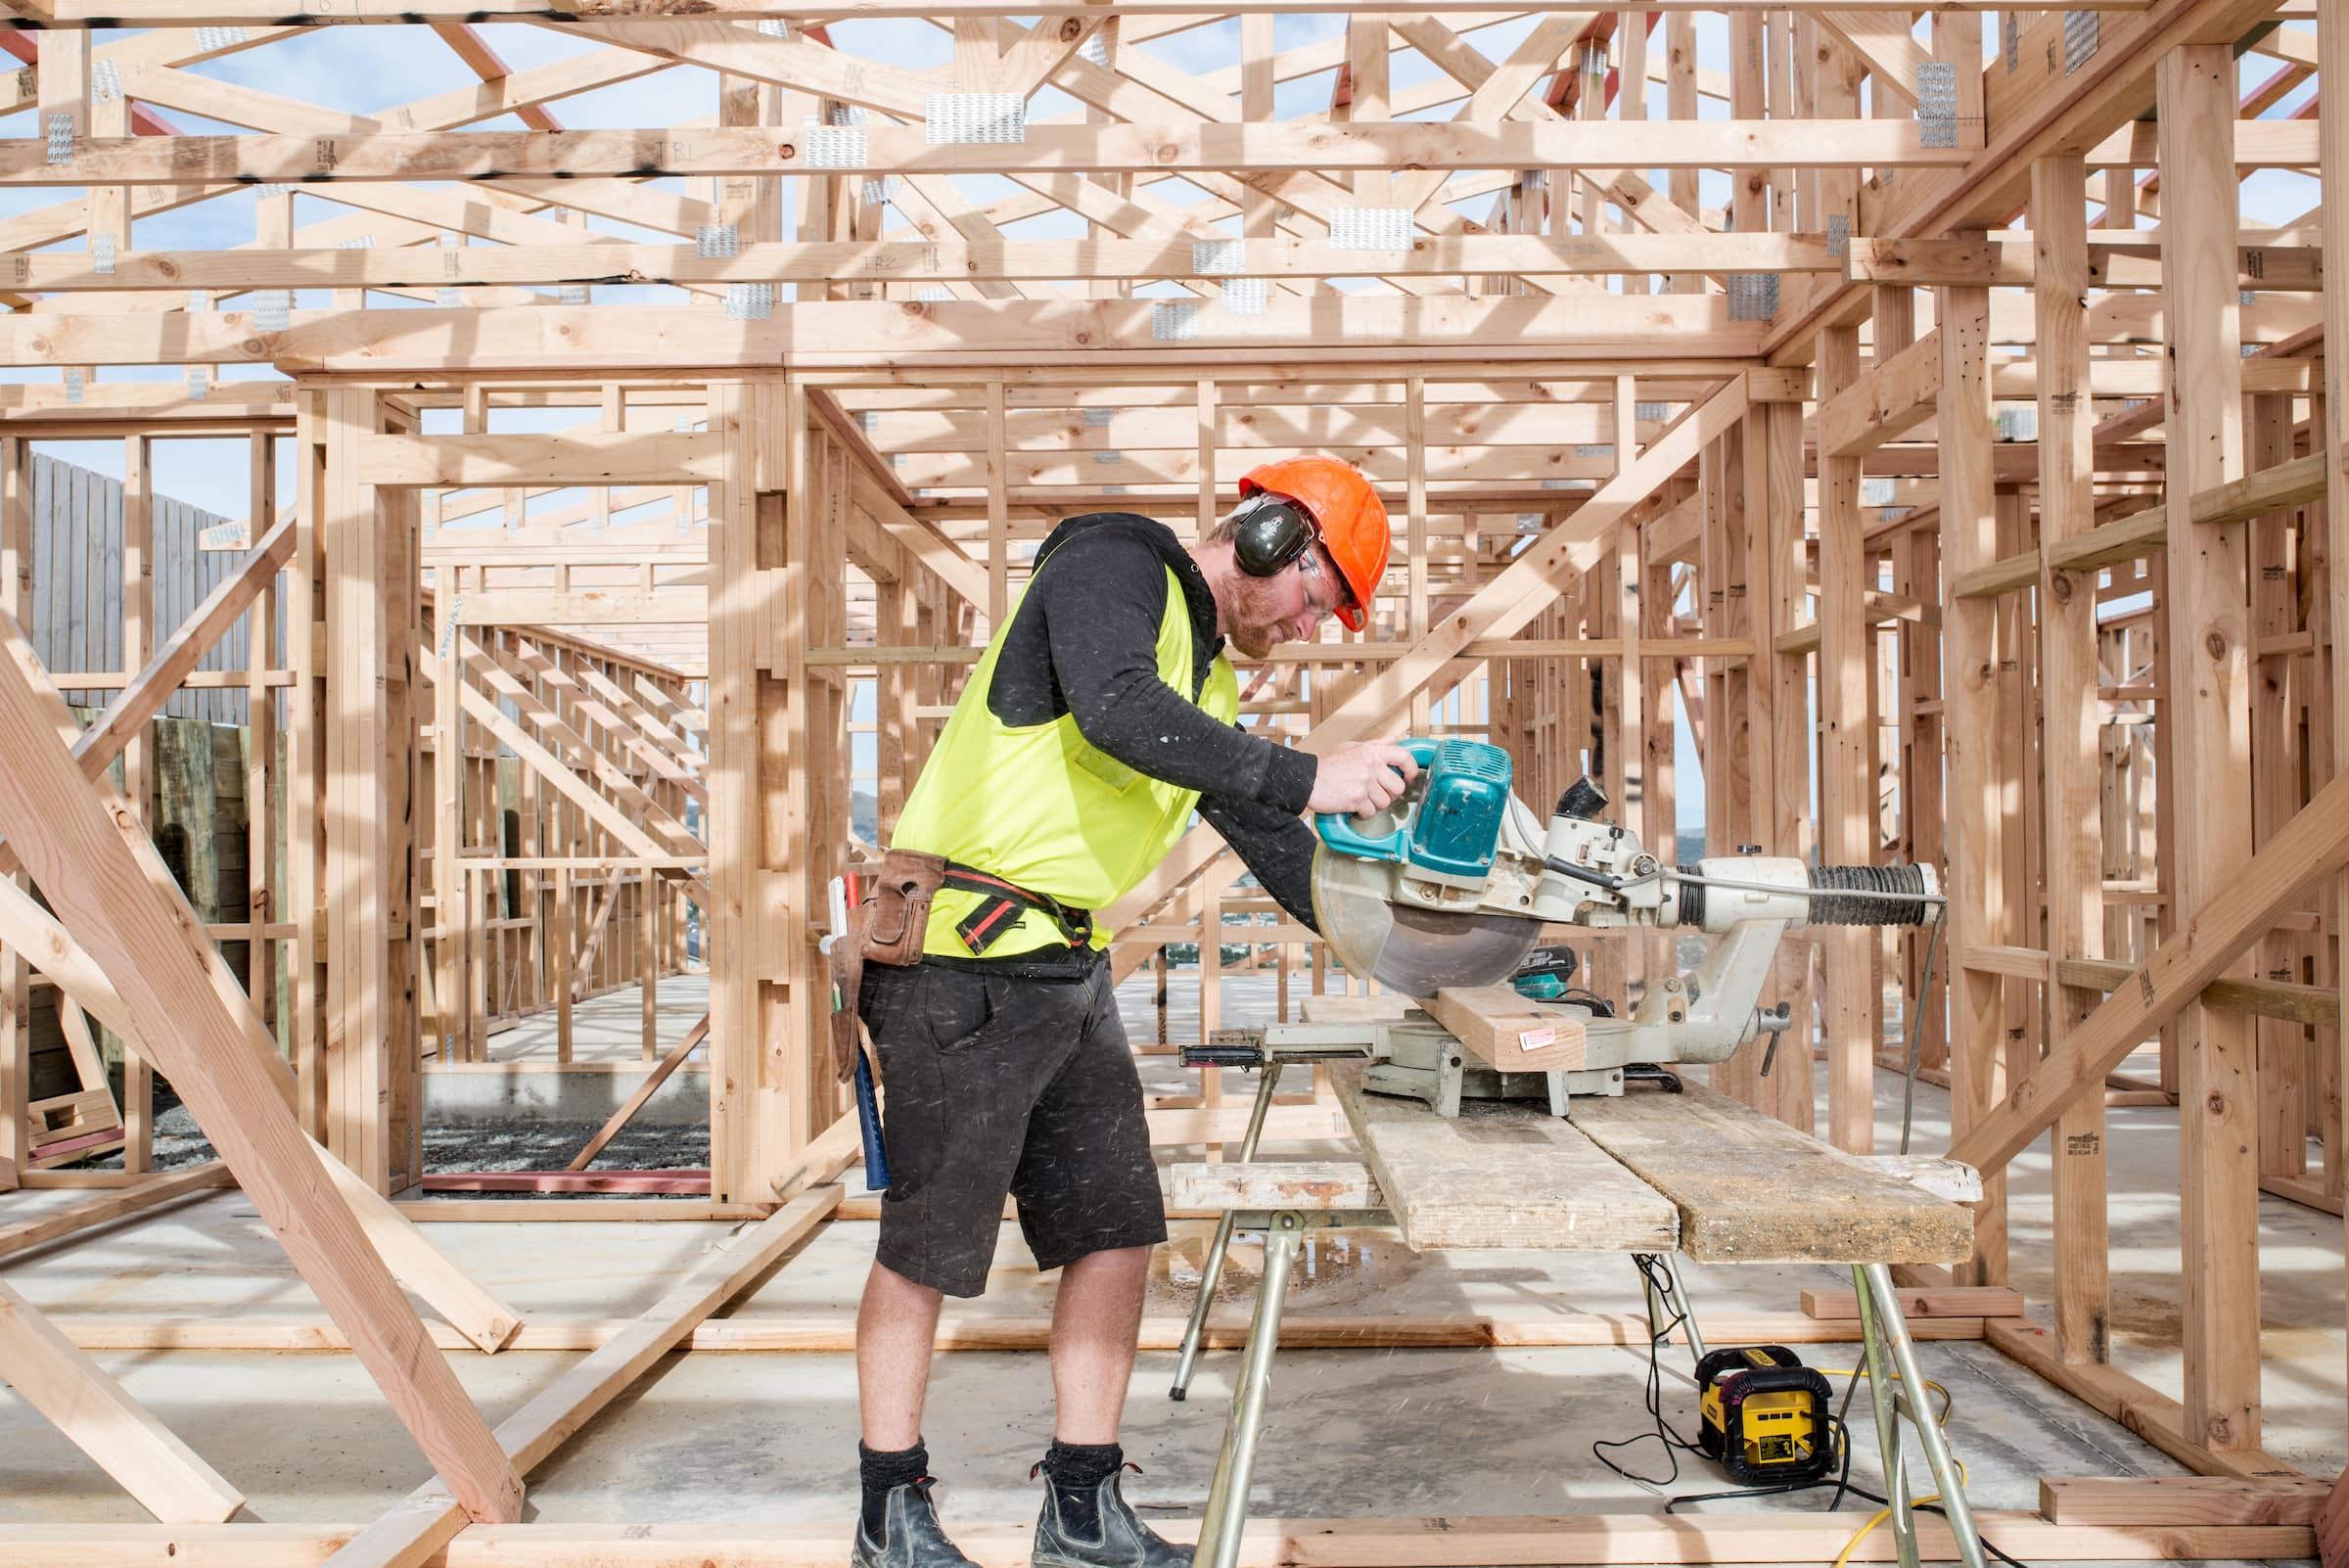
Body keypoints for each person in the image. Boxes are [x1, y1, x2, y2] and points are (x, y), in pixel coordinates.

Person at [850, 456, 1420, 1568]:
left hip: (1063, 965)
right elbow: (1113, 708)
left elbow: (1278, 851)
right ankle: (890, 1514)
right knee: (928, 1245)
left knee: (1113, 1234)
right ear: (1266, 540)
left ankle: (1080, 1508)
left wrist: (1422, 954)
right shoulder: (1112, 563)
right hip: (959, 958)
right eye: (1319, 596)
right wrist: (1310, 773)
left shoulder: (1208, 689)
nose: (1310, 629)